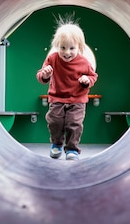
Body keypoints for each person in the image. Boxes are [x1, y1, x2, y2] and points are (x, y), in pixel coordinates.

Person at [36, 18, 98, 161]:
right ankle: (56, 144)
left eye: (72, 48)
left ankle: (72, 149)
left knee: (74, 124)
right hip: (57, 98)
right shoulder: (52, 59)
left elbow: (93, 76)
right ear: (57, 45)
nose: (67, 52)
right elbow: (40, 75)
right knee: (54, 121)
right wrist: (45, 75)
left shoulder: (84, 62)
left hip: (77, 99)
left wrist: (87, 80)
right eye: (62, 47)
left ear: (79, 47)